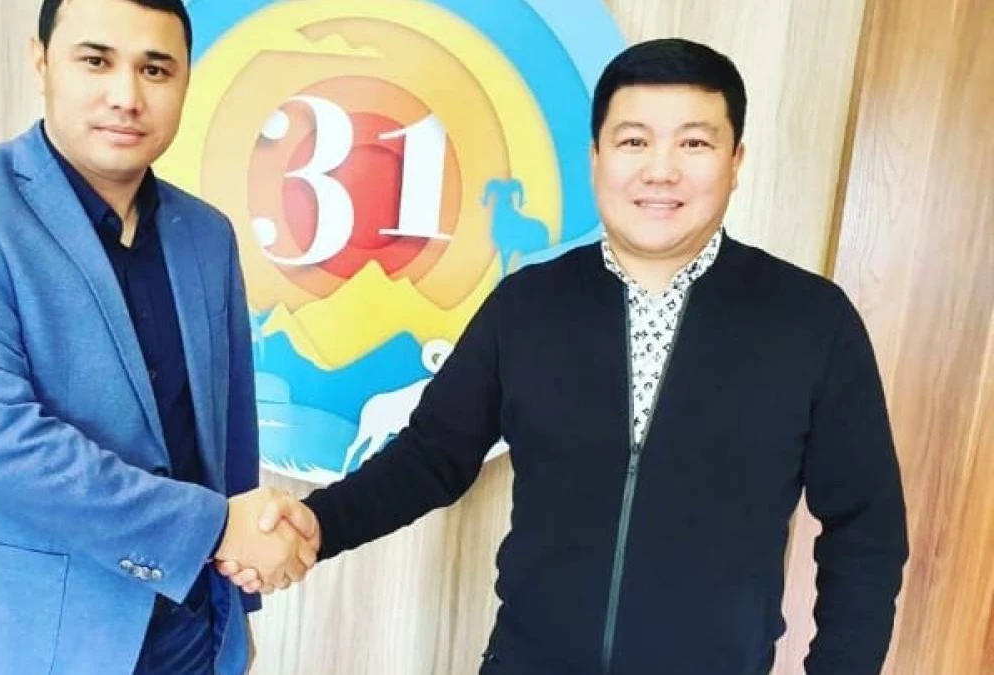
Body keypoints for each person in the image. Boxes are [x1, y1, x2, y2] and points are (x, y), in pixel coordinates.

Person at [223, 38, 909, 675]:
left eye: (695, 142)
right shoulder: (528, 306)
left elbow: (866, 529)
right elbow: (431, 458)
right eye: (634, 140)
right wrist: (318, 523)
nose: (661, 170)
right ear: (596, 158)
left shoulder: (812, 322)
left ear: (736, 161)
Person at [0, 1, 316, 673]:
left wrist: (238, 604)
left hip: (188, 637)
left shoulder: (207, 235)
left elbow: (228, 439)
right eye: (96, 60)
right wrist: (214, 529)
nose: (126, 96)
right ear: (41, 62)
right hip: (15, 643)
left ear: (185, 81)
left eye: (155, 69)